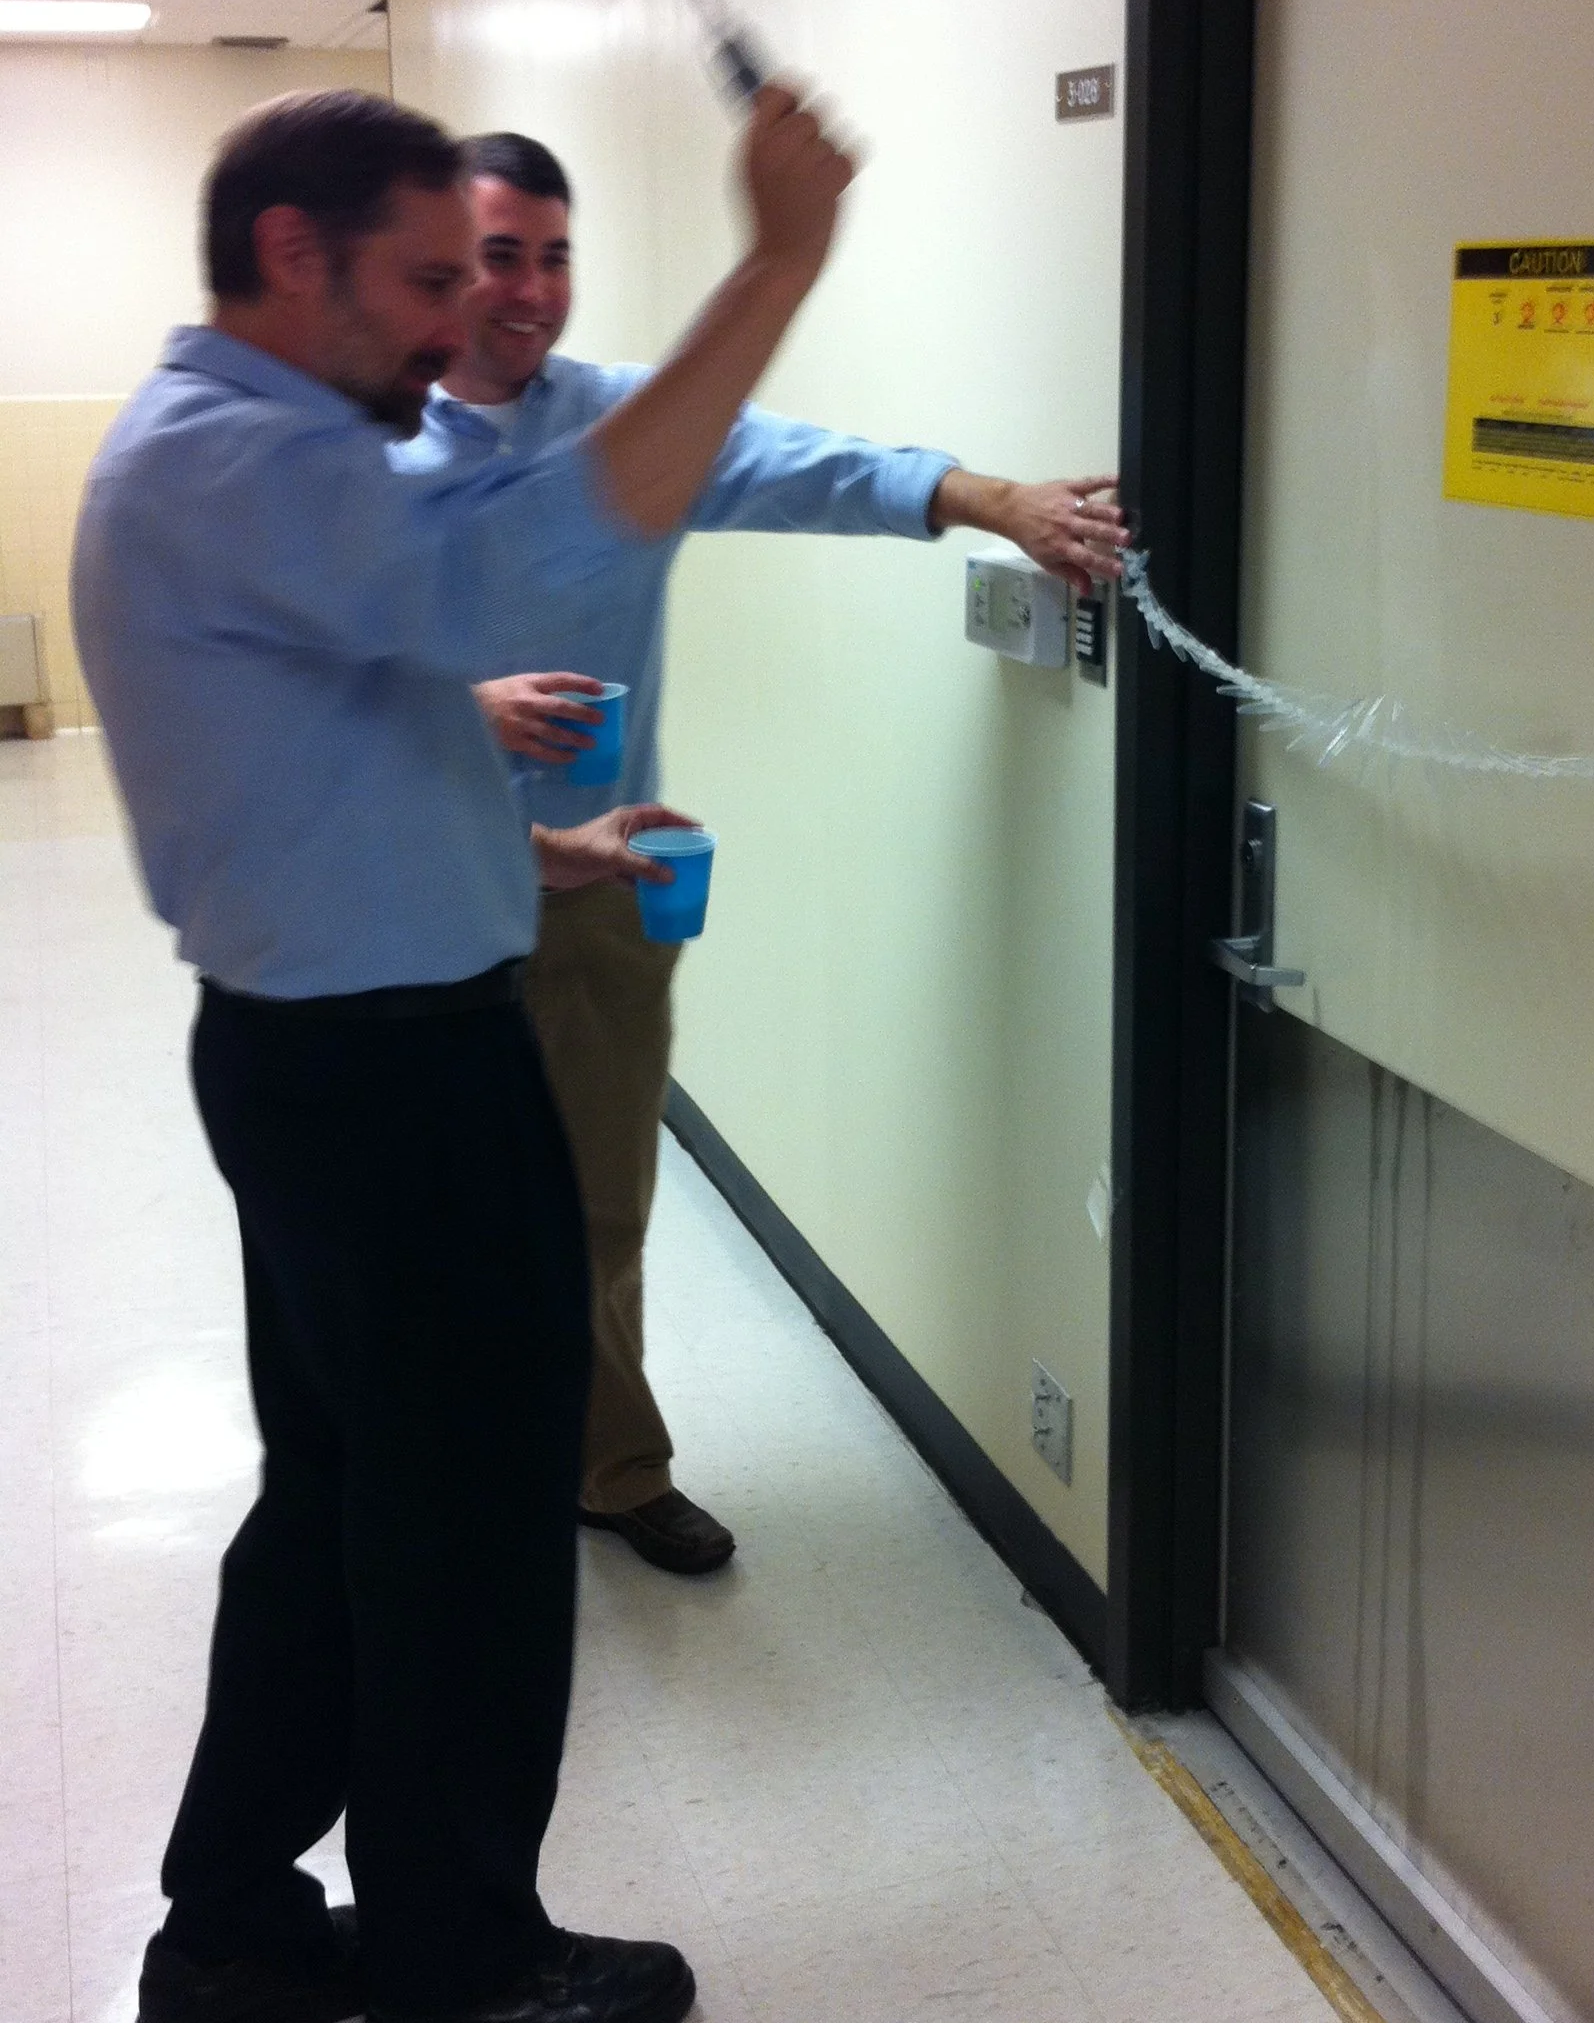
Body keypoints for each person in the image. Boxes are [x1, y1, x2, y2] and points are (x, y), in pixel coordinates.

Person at [71, 82, 852, 2023]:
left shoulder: (248, 456)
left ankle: (236, 1937)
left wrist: (524, 837)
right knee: (464, 1528)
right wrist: (774, 265)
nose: (452, 329)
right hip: (391, 1085)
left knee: (342, 1509)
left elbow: (320, 748)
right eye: (425, 279)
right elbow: (525, 558)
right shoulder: (242, 461)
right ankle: (455, 1958)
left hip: (338, 1051)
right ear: (288, 257)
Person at [398, 130, 1129, 1577]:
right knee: (426, 1218)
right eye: (498, 255)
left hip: (597, 892)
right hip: (407, 903)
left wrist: (1001, 503)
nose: (530, 289)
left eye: (554, 255)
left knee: (599, 1207)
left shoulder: (621, 424)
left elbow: (806, 466)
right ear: (433, 264)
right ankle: (439, 1485)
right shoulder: (358, 448)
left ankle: (609, 1466)